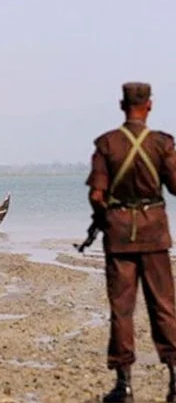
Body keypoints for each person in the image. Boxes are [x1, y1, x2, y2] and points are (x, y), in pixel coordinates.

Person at [86, 82, 176, 402]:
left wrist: (108, 216)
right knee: (164, 307)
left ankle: (123, 385)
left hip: (120, 237)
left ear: (121, 105)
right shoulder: (162, 144)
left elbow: (97, 195)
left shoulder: (108, 144)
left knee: (122, 310)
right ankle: (174, 380)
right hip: (154, 235)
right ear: (149, 105)